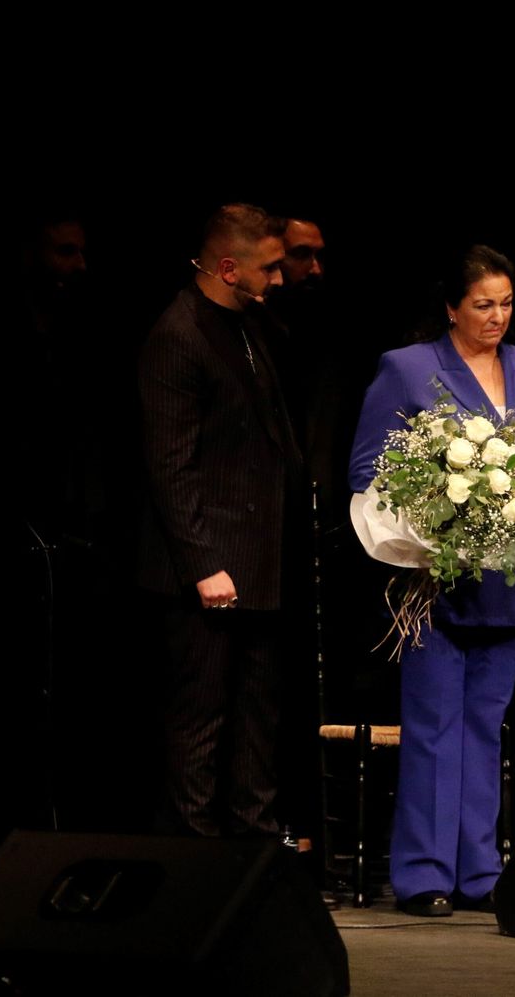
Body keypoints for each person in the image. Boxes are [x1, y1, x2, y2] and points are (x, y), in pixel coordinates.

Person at [348, 244, 515, 916]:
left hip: (508, 581)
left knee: (485, 727)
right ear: (452, 307)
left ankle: (480, 871)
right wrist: (429, 520)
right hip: (436, 580)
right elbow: (369, 470)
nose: (497, 317)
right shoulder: (409, 367)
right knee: (433, 726)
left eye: (507, 304)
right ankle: (425, 872)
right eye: (483, 304)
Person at [137, 203, 303, 838]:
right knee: (199, 720)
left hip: (260, 560)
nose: (280, 280)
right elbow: (170, 465)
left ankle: (254, 858)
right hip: (208, 572)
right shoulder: (178, 335)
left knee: (259, 719)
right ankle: (192, 866)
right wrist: (204, 563)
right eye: (269, 268)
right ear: (229, 268)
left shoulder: (253, 326)